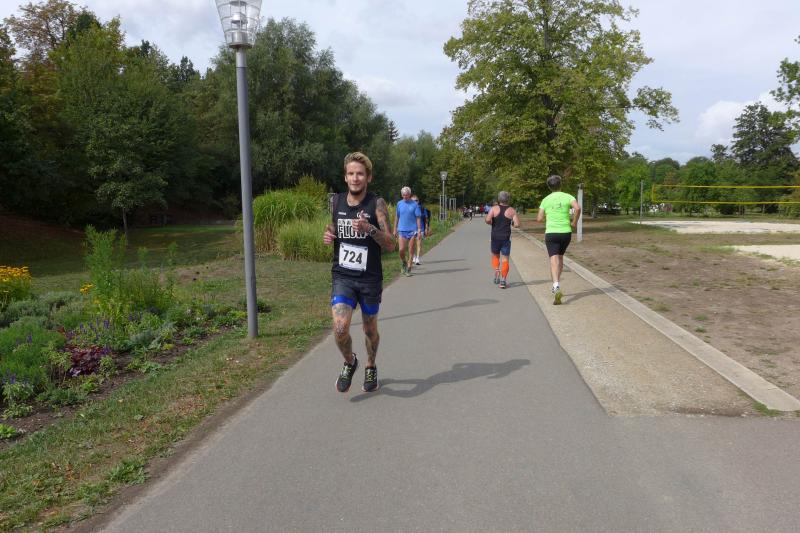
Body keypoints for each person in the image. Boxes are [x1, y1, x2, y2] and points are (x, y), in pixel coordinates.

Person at [323, 152, 395, 393]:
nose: (355, 178)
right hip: (343, 276)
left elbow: (390, 244)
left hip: (369, 279)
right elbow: (333, 225)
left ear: (368, 177)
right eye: (351, 173)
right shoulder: (336, 201)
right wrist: (329, 233)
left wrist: (370, 229)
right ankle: (349, 361)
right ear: (345, 177)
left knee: (369, 330)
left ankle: (371, 365)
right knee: (340, 328)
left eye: (360, 174)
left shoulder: (377, 204)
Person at [537, 174, 581, 305]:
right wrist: (574, 222)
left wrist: (547, 216)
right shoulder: (568, 197)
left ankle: (556, 285)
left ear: (549, 187)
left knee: (553, 258)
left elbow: (539, 218)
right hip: (566, 232)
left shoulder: (545, 200)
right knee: (560, 257)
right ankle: (556, 284)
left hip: (552, 233)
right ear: (560, 184)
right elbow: (577, 208)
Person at [484, 191, 520, 289]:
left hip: (495, 237)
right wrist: (511, 223)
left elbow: (488, 220)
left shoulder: (494, 209)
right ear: (508, 199)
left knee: (495, 255)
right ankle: (503, 280)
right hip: (506, 238)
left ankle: (497, 269)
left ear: (499, 199)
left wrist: (491, 223)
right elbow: (517, 224)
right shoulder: (512, 210)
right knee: (505, 259)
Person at [393, 186, 422, 276]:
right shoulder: (399, 204)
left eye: (406, 195)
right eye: (403, 195)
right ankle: (404, 262)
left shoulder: (415, 204)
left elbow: (418, 218)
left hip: (412, 230)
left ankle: (409, 268)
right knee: (401, 250)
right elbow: (397, 216)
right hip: (402, 230)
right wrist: (394, 229)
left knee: (411, 250)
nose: (405, 196)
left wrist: (419, 230)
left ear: (409, 194)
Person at [411, 195, 430, 265]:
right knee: (412, 244)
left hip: (420, 229)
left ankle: (417, 258)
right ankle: (414, 256)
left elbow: (426, 219)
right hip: (411, 229)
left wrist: (426, 228)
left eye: (416, 200)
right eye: (413, 201)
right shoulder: (409, 209)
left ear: (418, 201)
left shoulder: (422, 209)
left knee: (419, 244)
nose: (415, 202)